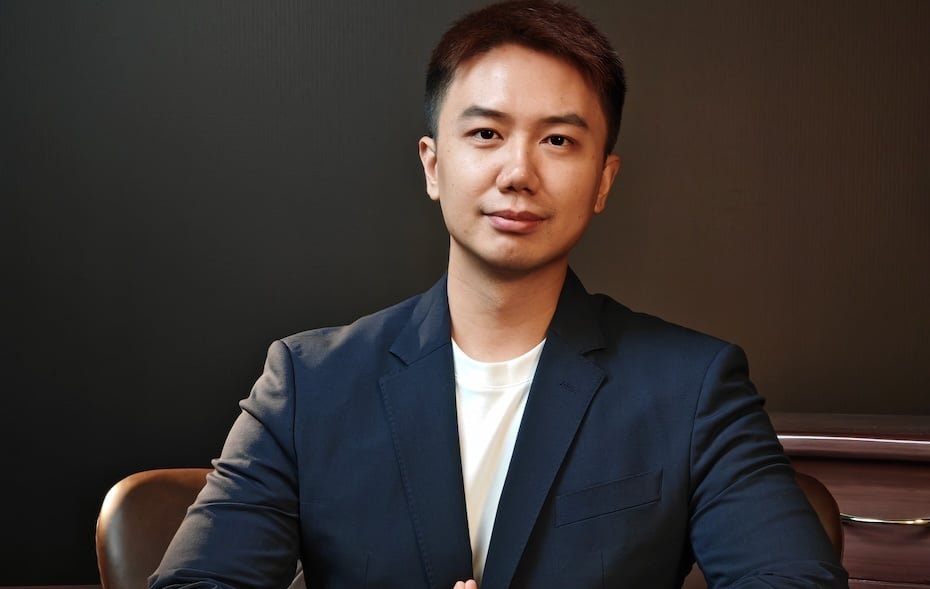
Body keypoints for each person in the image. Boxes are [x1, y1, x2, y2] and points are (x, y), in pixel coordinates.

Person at [150, 1, 847, 587]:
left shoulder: (694, 387)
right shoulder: (309, 384)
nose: (518, 172)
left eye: (558, 141)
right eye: (486, 133)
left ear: (603, 181)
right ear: (433, 165)